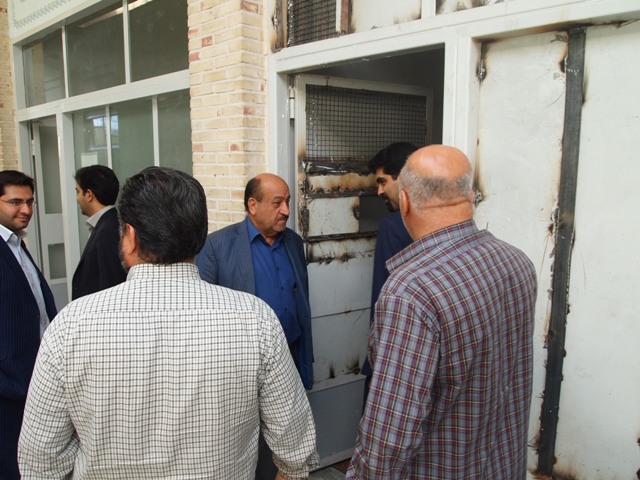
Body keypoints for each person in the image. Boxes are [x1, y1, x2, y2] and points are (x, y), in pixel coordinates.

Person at [18, 167, 318, 480]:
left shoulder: (71, 325)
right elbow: (295, 448)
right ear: (199, 238)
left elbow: (40, 461)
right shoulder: (255, 319)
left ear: (130, 237)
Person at [346, 145, 538, 479]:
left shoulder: (411, 292)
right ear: (470, 197)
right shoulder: (516, 262)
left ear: (405, 201)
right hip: (503, 467)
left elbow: (388, 441)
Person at [195, 172, 314, 480]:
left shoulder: (294, 243)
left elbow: (301, 300)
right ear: (252, 205)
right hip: (242, 364)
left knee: (287, 432)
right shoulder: (217, 246)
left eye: (288, 202)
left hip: (290, 354)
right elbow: (203, 314)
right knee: (247, 440)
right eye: (277, 203)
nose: (286, 210)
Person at [0, 170, 57, 480]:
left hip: (32, 380)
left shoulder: (17, 244)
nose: (26, 210)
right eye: (15, 202)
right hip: (10, 388)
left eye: (30, 202)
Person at [362, 142, 417, 400]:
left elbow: (383, 298)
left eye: (383, 182)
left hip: (394, 353)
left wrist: (374, 364)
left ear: (403, 178)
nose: (379, 191)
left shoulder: (394, 225)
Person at [72, 165, 127, 299]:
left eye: (78, 192)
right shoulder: (106, 224)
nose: (77, 198)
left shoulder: (108, 230)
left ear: (89, 195)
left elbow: (111, 283)